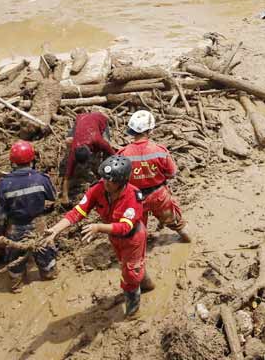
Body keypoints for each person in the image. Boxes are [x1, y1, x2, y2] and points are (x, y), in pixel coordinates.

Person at [45, 155, 150, 317]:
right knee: (130, 266)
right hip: (114, 238)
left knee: (129, 273)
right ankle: (144, 281)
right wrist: (56, 229)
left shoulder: (133, 196)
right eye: (104, 179)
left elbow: (124, 227)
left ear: (122, 182)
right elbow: (78, 212)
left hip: (133, 237)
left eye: (111, 181)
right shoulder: (98, 188)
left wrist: (98, 227)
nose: (106, 183)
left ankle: (133, 312)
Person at [0, 141, 57, 292]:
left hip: (15, 227)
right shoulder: (42, 179)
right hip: (38, 223)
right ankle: (49, 274)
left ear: (12, 161)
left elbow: (0, 215)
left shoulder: (4, 184)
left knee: (15, 256)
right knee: (45, 251)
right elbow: (53, 197)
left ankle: (16, 286)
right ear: (32, 159)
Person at [118, 110, 190, 243]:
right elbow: (172, 173)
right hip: (159, 195)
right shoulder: (159, 150)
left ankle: (141, 248)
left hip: (135, 197)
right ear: (150, 130)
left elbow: (120, 179)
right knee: (174, 220)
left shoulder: (123, 154)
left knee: (138, 228)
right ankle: (186, 238)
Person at [62, 111, 115, 205]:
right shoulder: (73, 150)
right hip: (81, 118)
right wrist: (64, 196)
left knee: (107, 149)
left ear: (90, 152)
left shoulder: (98, 140)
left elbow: (113, 154)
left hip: (99, 118)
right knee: (68, 141)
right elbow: (67, 176)